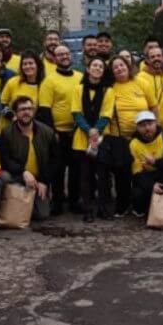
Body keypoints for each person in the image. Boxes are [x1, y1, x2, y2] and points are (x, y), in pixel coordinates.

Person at [108, 54, 159, 216]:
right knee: (122, 173)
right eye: (115, 67)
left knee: (142, 170)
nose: (119, 69)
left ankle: (139, 204)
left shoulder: (142, 83)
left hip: (143, 136)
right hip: (120, 137)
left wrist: (155, 128)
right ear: (112, 72)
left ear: (128, 66)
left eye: (121, 65)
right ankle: (122, 205)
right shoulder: (110, 88)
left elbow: (154, 107)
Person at [37, 45, 84, 214]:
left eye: (66, 53)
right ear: (54, 59)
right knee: (57, 168)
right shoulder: (49, 81)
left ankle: (74, 200)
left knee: (76, 168)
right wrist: (53, 132)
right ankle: (56, 201)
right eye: (60, 55)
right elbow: (44, 109)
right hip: (57, 132)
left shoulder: (80, 77)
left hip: (78, 131)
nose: (64, 56)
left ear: (71, 55)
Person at [0, 96, 60, 218]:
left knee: (43, 215)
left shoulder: (47, 132)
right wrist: (23, 172)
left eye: (29, 109)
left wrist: (44, 180)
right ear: (15, 112)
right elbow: (4, 159)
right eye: (22, 109)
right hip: (17, 177)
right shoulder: (7, 132)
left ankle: (25, 204)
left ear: (33, 111)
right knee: (2, 176)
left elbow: (56, 159)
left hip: (38, 180)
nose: (26, 112)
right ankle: (11, 202)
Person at [71, 57, 115, 221]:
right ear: (88, 69)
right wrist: (89, 131)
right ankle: (88, 210)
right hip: (82, 139)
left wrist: (96, 130)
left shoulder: (108, 91)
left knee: (103, 175)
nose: (97, 68)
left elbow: (107, 113)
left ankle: (104, 208)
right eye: (94, 65)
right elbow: (76, 112)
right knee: (85, 176)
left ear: (104, 72)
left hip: (102, 137)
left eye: (101, 66)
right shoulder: (78, 89)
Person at [129, 110, 163, 218]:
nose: (147, 128)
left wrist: (155, 162)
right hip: (148, 175)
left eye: (150, 124)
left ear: (156, 123)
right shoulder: (134, 144)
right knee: (137, 193)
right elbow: (137, 172)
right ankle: (147, 210)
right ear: (137, 128)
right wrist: (151, 185)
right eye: (142, 125)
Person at [0, 51, 44, 131]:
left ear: (38, 65)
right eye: (25, 64)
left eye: (31, 63)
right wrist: (13, 117)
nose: (27, 66)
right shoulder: (13, 82)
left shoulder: (44, 86)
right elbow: (2, 103)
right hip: (10, 128)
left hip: (32, 129)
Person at [137, 46, 163, 130]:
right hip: (149, 127)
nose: (156, 58)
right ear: (147, 60)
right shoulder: (140, 78)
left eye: (159, 56)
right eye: (152, 57)